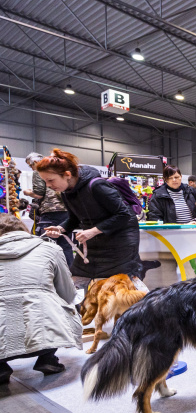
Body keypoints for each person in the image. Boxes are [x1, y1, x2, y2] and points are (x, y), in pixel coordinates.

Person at [37, 149, 141, 284]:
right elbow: (74, 218)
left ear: (67, 174)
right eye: (45, 181)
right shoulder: (66, 193)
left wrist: (93, 231)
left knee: (119, 285)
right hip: (93, 241)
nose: (48, 186)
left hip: (121, 241)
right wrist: (60, 229)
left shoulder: (97, 185)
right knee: (79, 279)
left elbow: (123, 214)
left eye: (50, 180)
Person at [0, 214, 81, 384]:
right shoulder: (50, 249)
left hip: (3, 346)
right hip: (45, 337)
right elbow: (68, 293)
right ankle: (47, 358)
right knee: (71, 301)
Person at [22, 152, 72, 266]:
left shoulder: (39, 171)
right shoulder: (55, 170)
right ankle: (68, 273)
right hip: (66, 211)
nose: (32, 168)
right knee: (65, 245)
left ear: (35, 162)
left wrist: (27, 192)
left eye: (31, 165)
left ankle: (48, 272)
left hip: (50, 211)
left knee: (47, 245)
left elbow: (39, 193)